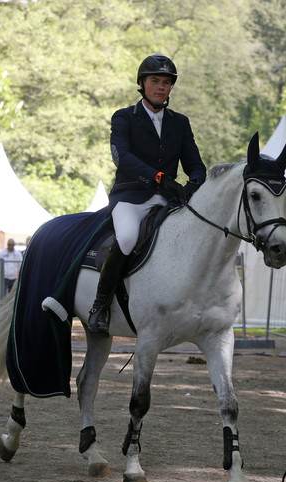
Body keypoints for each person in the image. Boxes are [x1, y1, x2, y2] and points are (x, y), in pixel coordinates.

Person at [87, 54, 207, 333]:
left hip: (169, 199)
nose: (161, 87)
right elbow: (122, 158)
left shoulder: (180, 123)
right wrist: (156, 176)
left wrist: (194, 183)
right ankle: (100, 305)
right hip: (131, 196)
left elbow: (195, 164)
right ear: (142, 83)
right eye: (155, 81)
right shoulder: (124, 117)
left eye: (166, 82)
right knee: (128, 238)